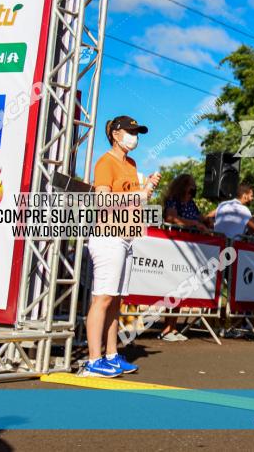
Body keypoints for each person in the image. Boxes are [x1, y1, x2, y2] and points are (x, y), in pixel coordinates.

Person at [83, 115, 160, 377]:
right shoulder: (106, 162)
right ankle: (93, 361)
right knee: (102, 298)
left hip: (126, 238)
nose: (134, 136)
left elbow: (132, 202)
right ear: (115, 134)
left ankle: (112, 355)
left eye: (137, 132)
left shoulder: (132, 163)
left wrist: (147, 187)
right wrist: (138, 193)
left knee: (115, 300)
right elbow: (103, 200)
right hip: (108, 237)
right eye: (130, 131)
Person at [159, 173, 209, 342]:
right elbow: (170, 218)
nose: (193, 189)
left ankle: (173, 327)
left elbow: (200, 218)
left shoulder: (192, 204)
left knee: (181, 288)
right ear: (183, 185)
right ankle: (166, 328)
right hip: (176, 248)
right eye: (191, 185)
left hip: (190, 249)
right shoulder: (174, 200)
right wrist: (193, 224)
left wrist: (206, 221)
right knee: (173, 287)